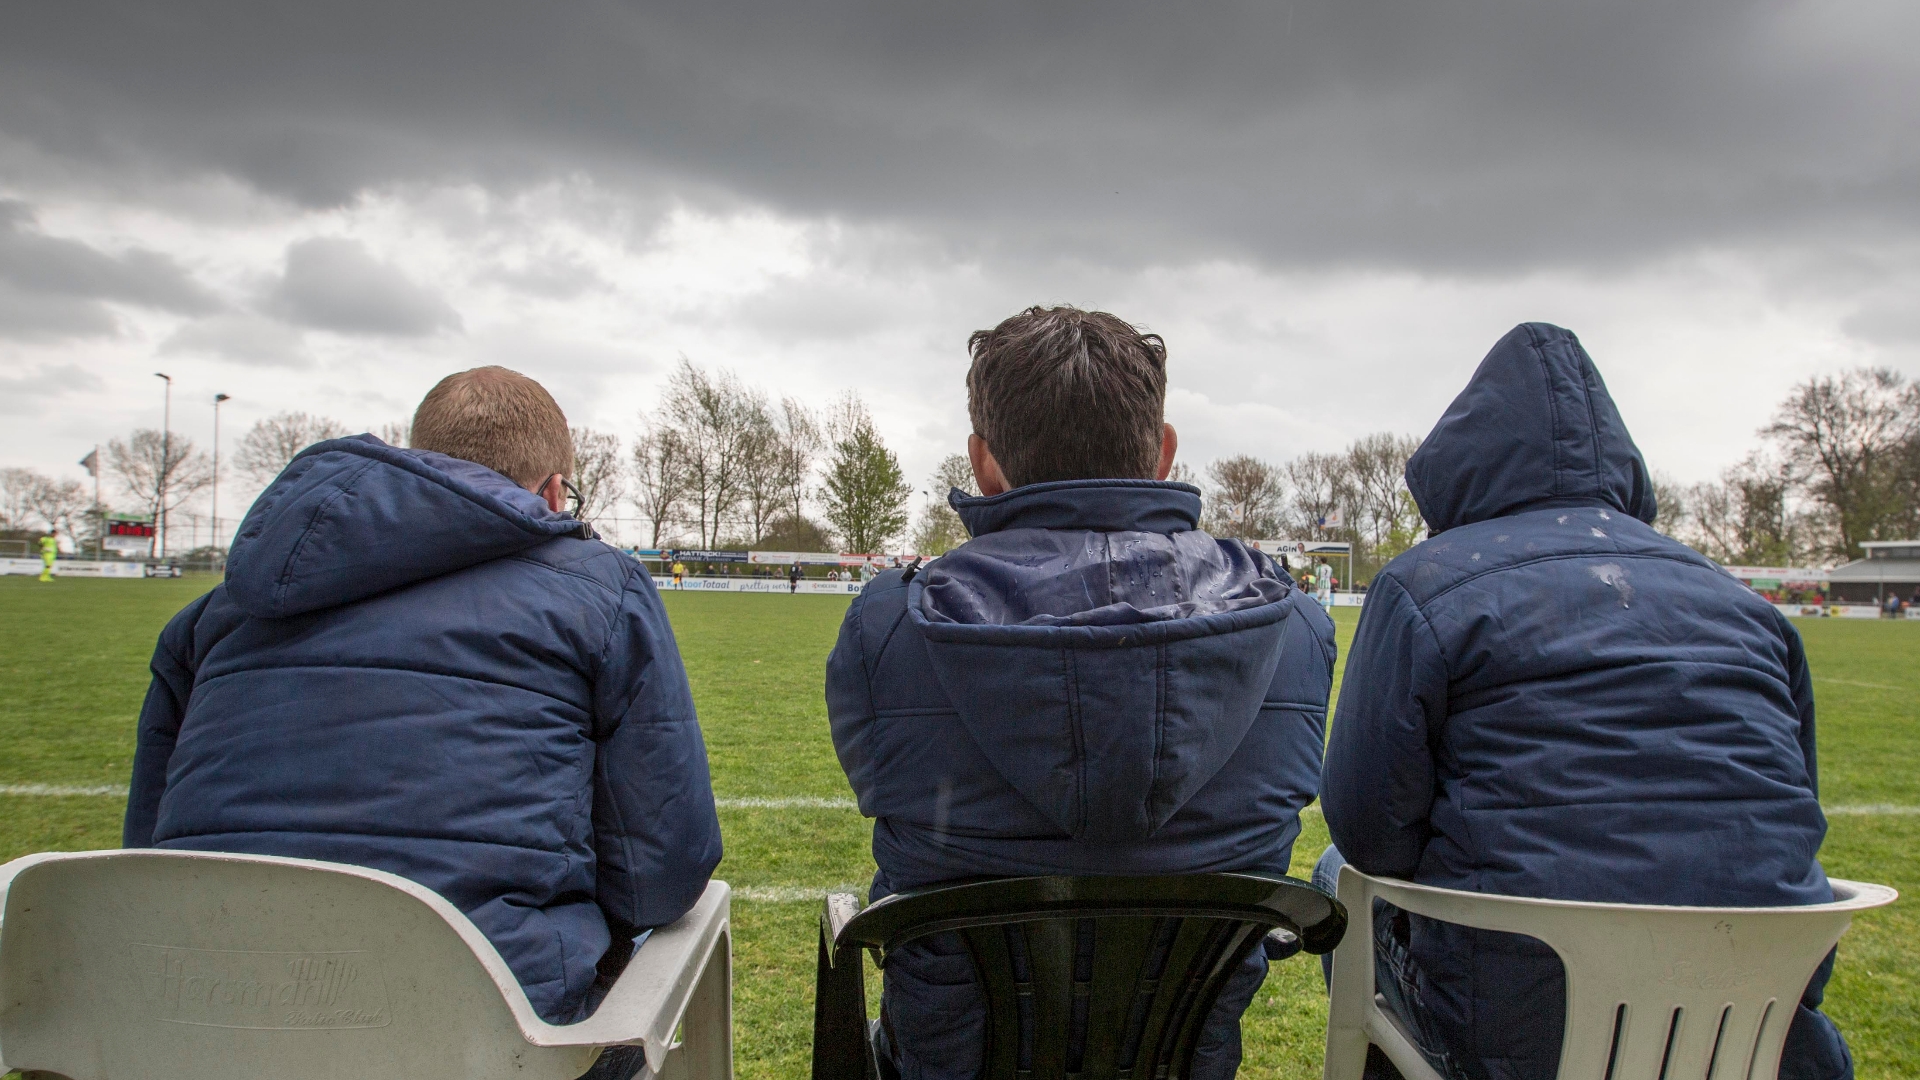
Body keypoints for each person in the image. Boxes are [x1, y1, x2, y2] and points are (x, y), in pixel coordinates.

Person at [124, 366, 723, 1077]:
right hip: (489, 1037)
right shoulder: (602, 589)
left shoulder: (212, 616)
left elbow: (148, 855)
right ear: (555, 491)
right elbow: (661, 870)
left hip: (206, 1027)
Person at [1320, 324, 1850, 1080]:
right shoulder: (1749, 608)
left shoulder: (1424, 583)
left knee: (1335, 870)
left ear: (1460, 462)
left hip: (1523, 1026)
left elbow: (1369, 830)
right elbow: (1792, 824)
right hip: (1753, 1027)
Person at [826, 305, 1336, 1080]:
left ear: (984, 462)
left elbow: (880, 782)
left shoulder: (888, 625)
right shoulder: (1297, 628)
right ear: (1162, 453)